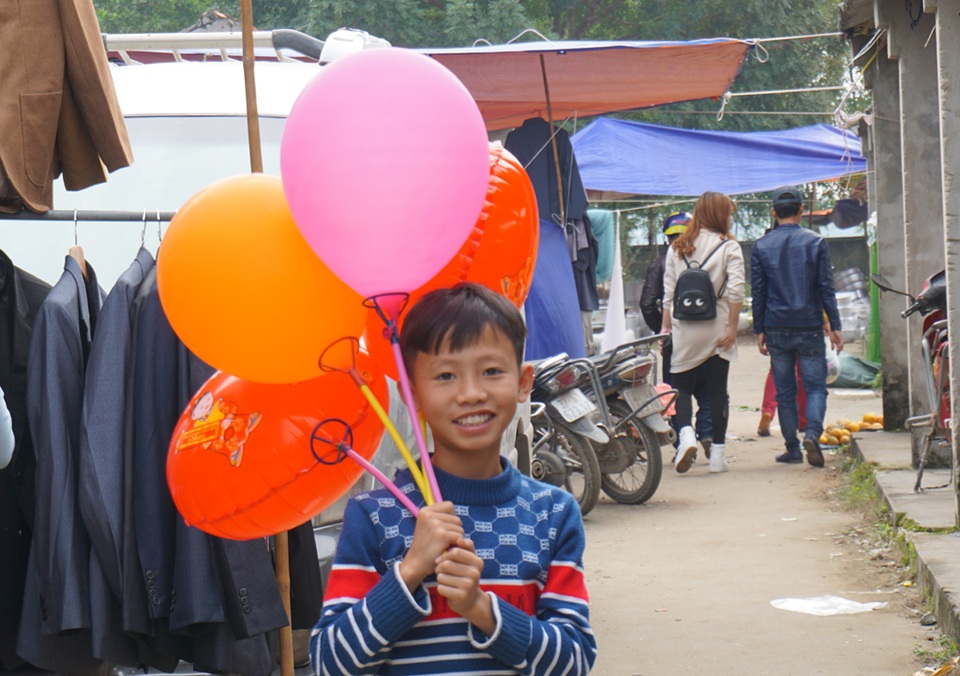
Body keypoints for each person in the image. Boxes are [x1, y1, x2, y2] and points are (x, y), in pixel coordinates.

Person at [310, 283, 597, 675]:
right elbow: (330, 663)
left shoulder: (552, 513)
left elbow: (575, 661)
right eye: (445, 376)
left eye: (492, 371)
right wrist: (410, 571)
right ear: (414, 397)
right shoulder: (374, 516)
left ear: (523, 382)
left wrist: (482, 609)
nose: (470, 393)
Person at [751, 185, 844, 467]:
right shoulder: (816, 242)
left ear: (773, 212)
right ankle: (813, 435)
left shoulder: (761, 246)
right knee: (816, 388)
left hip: (777, 327)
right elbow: (826, 288)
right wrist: (835, 325)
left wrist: (760, 329)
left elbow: (759, 291)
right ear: (802, 210)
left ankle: (792, 448)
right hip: (809, 326)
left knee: (785, 392)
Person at [661, 192, 745, 474]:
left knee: (681, 388)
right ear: (720, 215)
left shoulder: (678, 247)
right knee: (717, 392)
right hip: (718, 327)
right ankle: (718, 458)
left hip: (685, 328)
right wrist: (732, 327)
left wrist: (665, 329)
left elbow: (668, 294)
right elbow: (736, 291)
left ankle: (685, 436)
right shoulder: (729, 247)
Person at [639, 212, 713, 462]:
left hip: (674, 338)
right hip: (706, 335)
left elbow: (648, 303)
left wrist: (662, 330)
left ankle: (683, 443)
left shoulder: (661, 263)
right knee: (705, 387)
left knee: (675, 391)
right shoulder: (707, 259)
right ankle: (707, 431)